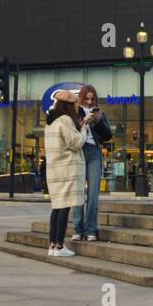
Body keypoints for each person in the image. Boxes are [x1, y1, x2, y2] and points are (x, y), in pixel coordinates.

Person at [44, 91, 85, 256]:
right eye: (75, 104)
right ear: (68, 105)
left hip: (54, 170)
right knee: (65, 207)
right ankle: (60, 246)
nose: (76, 107)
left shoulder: (51, 122)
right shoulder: (66, 120)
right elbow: (75, 143)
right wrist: (84, 130)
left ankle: (53, 245)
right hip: (67, 169)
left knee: (56, 208)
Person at [71, 84, 110, 243]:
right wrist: (83, 121)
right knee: (78, 193)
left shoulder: (100, 113)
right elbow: (71, 132)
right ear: (81, 98)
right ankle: (77, 229)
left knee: (93, 194)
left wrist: (98, 120)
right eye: (86, 98)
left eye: (92, 98)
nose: (89, 101)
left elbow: (108, 135)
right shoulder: (74, 112)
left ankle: (91, 230)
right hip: (79, 151)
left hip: (94, 152)